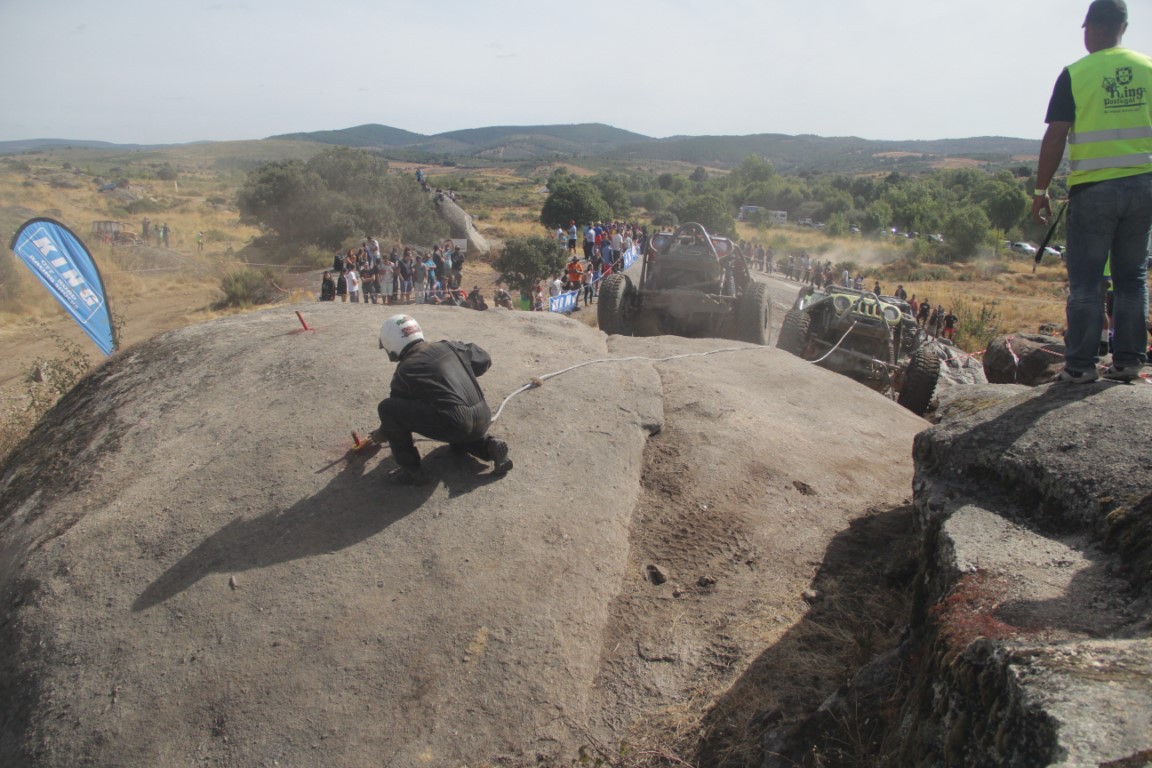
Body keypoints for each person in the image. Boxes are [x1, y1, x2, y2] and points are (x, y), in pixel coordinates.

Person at [1032, 0, 1151, 383]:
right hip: (1144, 187)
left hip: (1094, 189)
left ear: (1091, 28)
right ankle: (1129, 361)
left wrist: (1040, 190)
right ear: (1123, 27)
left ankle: (1081, 367)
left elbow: (1055, 136)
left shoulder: (1076, 73)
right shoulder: (1149, 69)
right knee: (1131, 279)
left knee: (1086, 282)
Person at [372, 315, 512, 484]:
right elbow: (484, 359)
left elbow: (394, 418)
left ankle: (412, 471)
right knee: (457, 435)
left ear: (391, 343)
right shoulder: (451, 346)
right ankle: (488, 446)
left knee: (387, 408)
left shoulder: (405, 371)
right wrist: (459, 374)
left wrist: (378, 436)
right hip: (483, 417)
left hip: (454, 423)